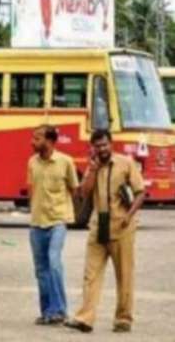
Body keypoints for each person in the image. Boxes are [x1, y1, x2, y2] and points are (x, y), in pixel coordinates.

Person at [65, 130, 145, 334]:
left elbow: (140, 192)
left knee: (124, 275)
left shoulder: (126, 163)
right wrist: (91, 170)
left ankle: (123, 319)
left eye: (104, 145)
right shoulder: (94, 166)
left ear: (111, 144)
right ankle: (85, 318)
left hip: (122, 227)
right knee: (90, 275)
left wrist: (130, 215)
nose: (101, 149)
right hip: (98, 226)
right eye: (97, 146)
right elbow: (83, 193)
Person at [26, 125, 78, 325]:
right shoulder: (32, 162)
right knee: (41, 269)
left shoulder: (66, 162)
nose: (33, 142)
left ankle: (60, 310)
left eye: (37, 138)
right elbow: (31, 189)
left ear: (49, 141)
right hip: (37, 223)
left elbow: (74, 189)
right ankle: (47, 311)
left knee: (54, 262)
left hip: (58, 220)